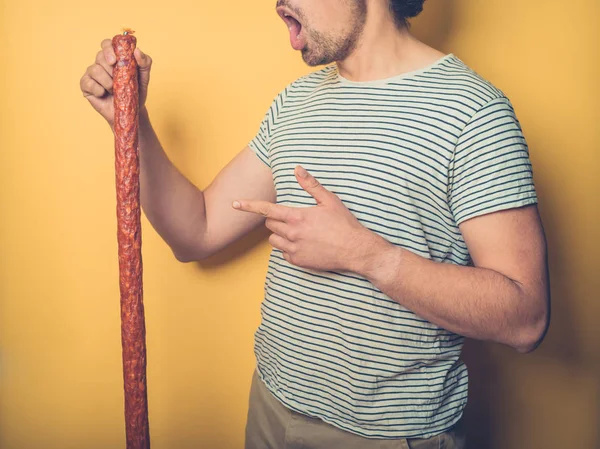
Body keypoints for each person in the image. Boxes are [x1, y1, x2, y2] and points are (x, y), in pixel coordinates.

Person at [80, 0, 551, 447]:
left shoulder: (473, 112)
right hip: (271, 409)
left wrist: (367, 255)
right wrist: (129, 119)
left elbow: (526, 318)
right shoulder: (296, 103)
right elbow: (196, 231)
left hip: (391, 437)